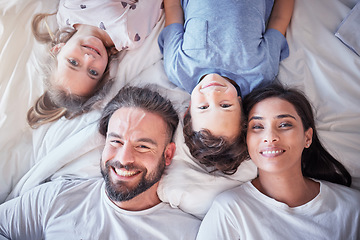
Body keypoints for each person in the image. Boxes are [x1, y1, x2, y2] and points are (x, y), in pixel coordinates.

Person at [0, 86, 201, 239]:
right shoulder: (55, 199)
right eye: (116, 141)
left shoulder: (189, 233)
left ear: (167, 155)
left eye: (142, 147)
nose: (123, 159)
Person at [196, 84, 360, 239]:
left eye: (284, 124)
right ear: (247, 140)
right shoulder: (230, 211)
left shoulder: (352, 208)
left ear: (307, 137)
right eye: (258, 126)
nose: (270, 137)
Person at [158, 0, 294, 174]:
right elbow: (279, 19)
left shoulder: (177, 67)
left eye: (203, 107)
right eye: (225, 105)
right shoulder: (260, 72)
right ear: (240, 103)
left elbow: (172, 9)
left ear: (189, 109)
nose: (213, 94)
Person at [27, 0, 164, 128]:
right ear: (105, 70)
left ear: (57, 49)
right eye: (93, 72)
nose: (88, 58)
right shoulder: (128, 34)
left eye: (73, 62)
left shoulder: (68, 10)